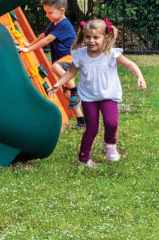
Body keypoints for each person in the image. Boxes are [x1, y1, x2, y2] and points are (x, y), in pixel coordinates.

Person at [48, 18, 146, 167]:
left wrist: (139, 76)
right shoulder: (80, 55)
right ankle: (83, 159)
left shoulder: (111, 53)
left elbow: (129, 64)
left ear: (105, 37)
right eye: (88, 37)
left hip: (108, 96)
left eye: (96, 37)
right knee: (92, 128)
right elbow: (71, 72)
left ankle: (110, 144)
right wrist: (57, 84)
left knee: (111, 123)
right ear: (83, 36)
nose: (91, 40)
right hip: (89, 98)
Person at [19, 0, 85, 126]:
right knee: (67, 94)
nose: (47, 15)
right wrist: (30, 44)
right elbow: (43, 36)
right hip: (64, 62)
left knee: (55, 67)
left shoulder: (64, 25)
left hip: (70, 58)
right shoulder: (54, 23)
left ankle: (75, 90)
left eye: (49, 12)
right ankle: (82, 121)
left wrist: (28, 50)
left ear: (62, 10)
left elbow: (47, 40)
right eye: (46, 12)